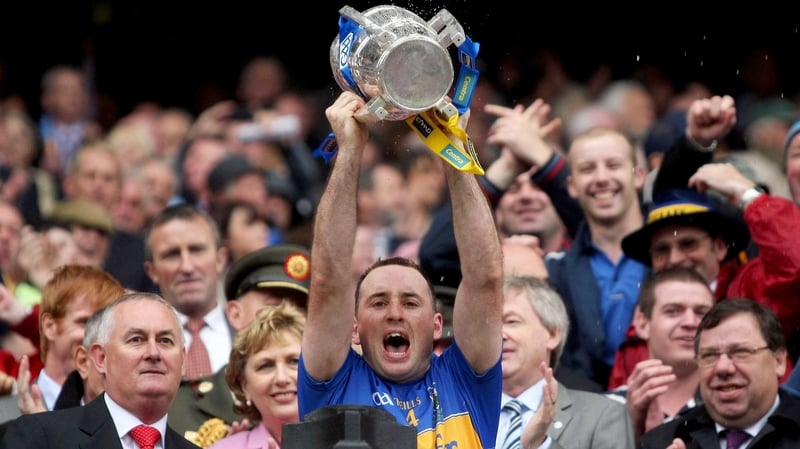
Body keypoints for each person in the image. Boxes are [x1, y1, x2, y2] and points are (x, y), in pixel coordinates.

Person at [298, 91, 504, 448]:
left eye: (411, 302)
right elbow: (328, 280)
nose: (395, 313)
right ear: (355, 329)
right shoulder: (334, 380)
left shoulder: (465, 379)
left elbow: (485, 278)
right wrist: (349, 151)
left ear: (437, 324)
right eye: (378, 303)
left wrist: (452, 147)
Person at [0, 292, 200, 449]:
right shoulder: (41, 437)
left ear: (183, 361)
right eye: (136, 340)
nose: (153, 353)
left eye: (165, 341)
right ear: (100, 358)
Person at [169, 243, 310, 441]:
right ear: (235, 314)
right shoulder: (182, 404)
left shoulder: (341, 405)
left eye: (302, 309)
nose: (286, 318)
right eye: (273, 307)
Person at [639, 298, 800, 449]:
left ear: (779, 361)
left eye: (740, 352)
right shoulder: (661, 441)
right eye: (709, 355)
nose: (723, 368)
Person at [498, 275, 635, 449]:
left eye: (512, 322)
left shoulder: (603, 415)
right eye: (489, 325)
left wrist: (541, 445)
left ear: (553, 334)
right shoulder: (458, 414)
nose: (499, 334)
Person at [607, 267, 715, 441]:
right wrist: (630, 429)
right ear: (642, 324)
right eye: (673, 311)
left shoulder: (731, 408)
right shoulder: (604, 408)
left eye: (701, 313)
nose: (690, 322)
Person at [206, 301, 305, 449]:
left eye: (294, 361)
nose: (282, 378)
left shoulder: (347, 442)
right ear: (244, 385)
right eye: (265, 366)